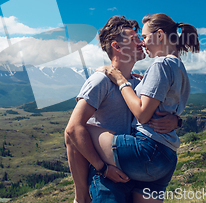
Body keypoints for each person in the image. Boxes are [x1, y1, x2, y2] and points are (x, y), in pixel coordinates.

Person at [64, 16, 180, 203]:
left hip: (133, 169)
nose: (141, 42)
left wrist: (176, 121)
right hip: (106, 176)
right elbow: (73, 130)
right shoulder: (100, 81)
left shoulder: (138, 83)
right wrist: (102, 169)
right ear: (117, 46)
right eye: (134, 39)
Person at [90, 13, 200, 203]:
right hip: (167, 157)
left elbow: (142, 114)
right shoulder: (178, 66)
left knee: (83, 128)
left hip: (147, 150)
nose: (143, 43)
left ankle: (81, 196)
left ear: (159, 35)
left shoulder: (161, 64)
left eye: (146, 37)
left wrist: (120, 80)